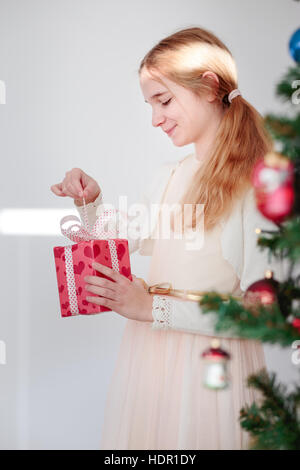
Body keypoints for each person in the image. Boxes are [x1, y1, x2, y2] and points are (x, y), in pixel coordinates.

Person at [51, 27, 285, 450]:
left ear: (211, 87)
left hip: (210, 372)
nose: (155, 119)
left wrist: (152, 307)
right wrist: (91, 201)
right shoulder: (171, 175)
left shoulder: (256, 185)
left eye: (163, 100)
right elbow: (124, 235)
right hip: (153, 361)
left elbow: (262, 316)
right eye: (150, 105)